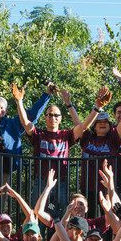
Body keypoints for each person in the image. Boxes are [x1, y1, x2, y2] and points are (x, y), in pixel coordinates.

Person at [17, 84, 96, 216]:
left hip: (61, 181)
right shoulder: (38, 134)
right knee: (37, 213)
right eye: (49, 115)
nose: (52, 117)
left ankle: (58, 237)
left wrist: (96, 108)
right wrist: (19, 101)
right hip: (41, 180)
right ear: (45, 117)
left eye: (56, 115)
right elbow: (25, 122)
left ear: (60, 118)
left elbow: (83, 126)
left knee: (60, 215)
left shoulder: (66, 135)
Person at [0, 83, 52, 193]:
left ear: (5, 111)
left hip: (4, 171)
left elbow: (32, 115)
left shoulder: (13, 124)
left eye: (2, 108)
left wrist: (47, 94)